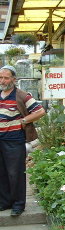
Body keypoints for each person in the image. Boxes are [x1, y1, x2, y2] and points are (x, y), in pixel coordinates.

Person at [0, 65, 46, 216]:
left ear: (14, 79)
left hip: (14, 139)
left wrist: (24, 120)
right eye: (1, 77)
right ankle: (5, 202)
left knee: (16, 172)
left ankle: (18, 204)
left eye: (6, 78)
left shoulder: (22, 95)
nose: (3, 81)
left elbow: (40, 111)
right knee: (2, 172)